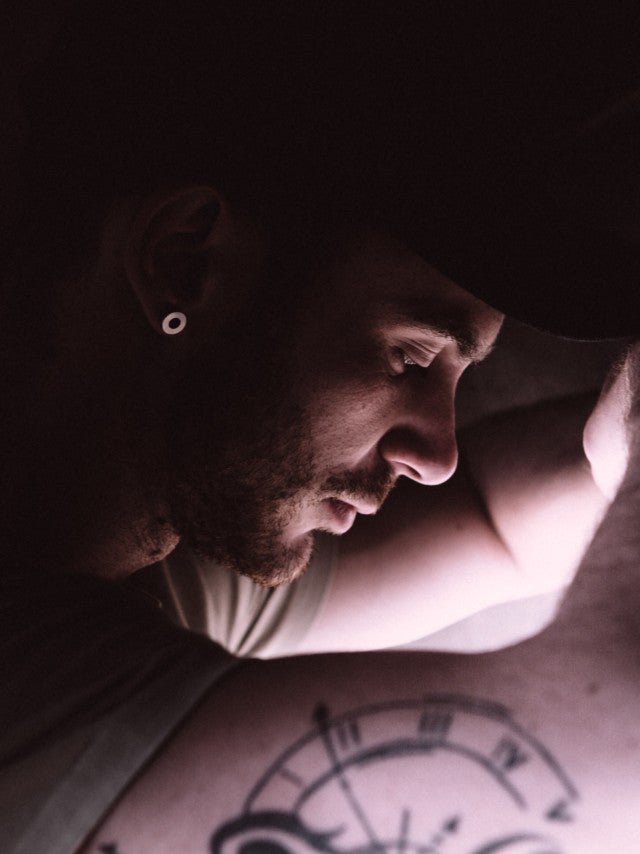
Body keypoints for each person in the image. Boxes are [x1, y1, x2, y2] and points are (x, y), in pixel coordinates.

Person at [1, 2, 639, 851]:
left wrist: (615, 442)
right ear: (183, 264)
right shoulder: (26, 682)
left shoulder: (159, 560)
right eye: (411, 358)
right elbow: (612, 751)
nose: (438, 455)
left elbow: (493, 520)